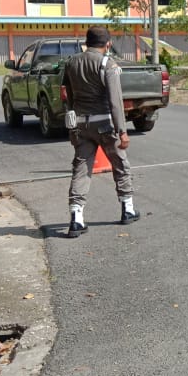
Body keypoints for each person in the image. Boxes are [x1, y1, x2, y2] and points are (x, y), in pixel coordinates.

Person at [61, 26, 139, 238]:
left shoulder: (71, 62)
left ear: (86, 42)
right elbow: (115, 102)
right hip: (105, 124)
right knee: (120, 163)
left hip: (81, 125)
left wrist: (71, 125)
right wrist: (122, 131)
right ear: (108, 44)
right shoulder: (108, 63)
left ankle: (76, 218)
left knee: (81, 168)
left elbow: (67, 95)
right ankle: (127, 208)